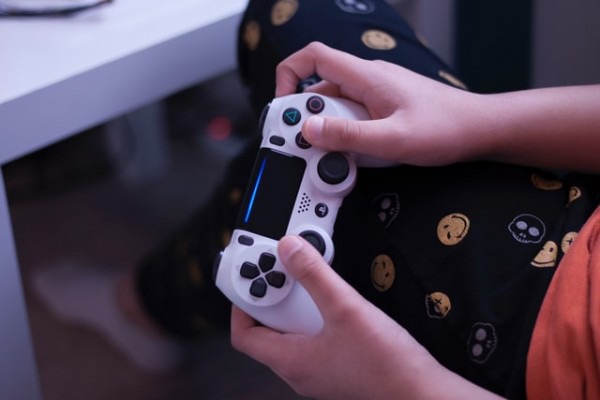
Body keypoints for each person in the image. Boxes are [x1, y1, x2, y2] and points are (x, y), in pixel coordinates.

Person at [33, 0, 600, 398]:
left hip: (540, 340)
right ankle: (146, 304)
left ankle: (143, 304)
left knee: (295, 142)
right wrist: (476, 120)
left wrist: (406, 386)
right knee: (302, 127)